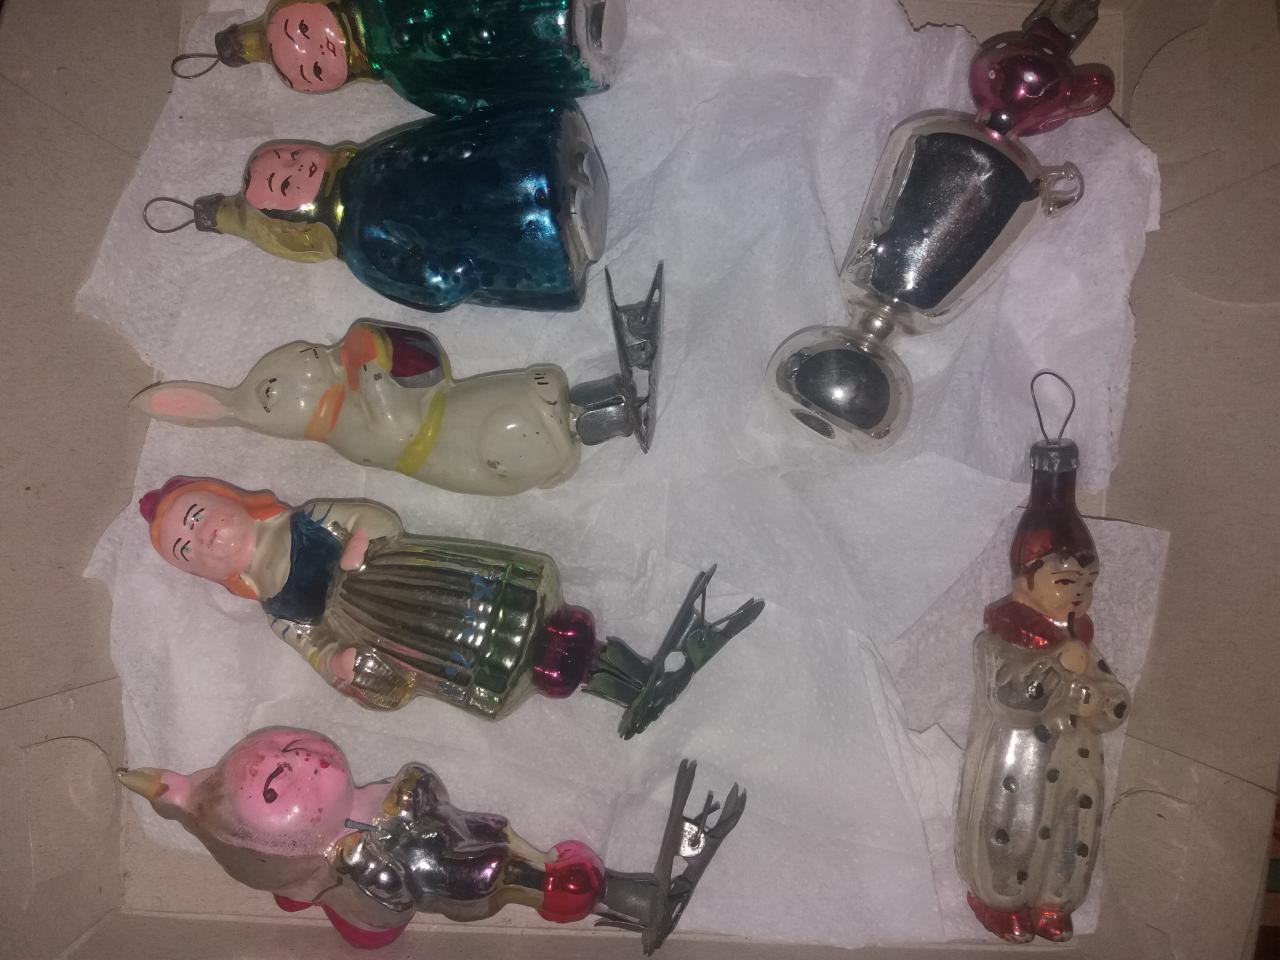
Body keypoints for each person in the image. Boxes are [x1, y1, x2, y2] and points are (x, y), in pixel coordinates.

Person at [955, 436, 1130, 942]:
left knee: (1069, 834)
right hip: (1016, 772)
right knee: (1015, 832)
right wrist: (1057, 667)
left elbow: (1112, 701)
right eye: (1066, 581)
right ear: (1024, 580)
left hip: (1075, 769)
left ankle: (1055, 901)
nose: (1080, 594)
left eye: (1088, 583)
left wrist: (1098, 699)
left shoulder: (1081, 641)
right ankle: (999, 901)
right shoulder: (1001, 639)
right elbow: (1011, 698)